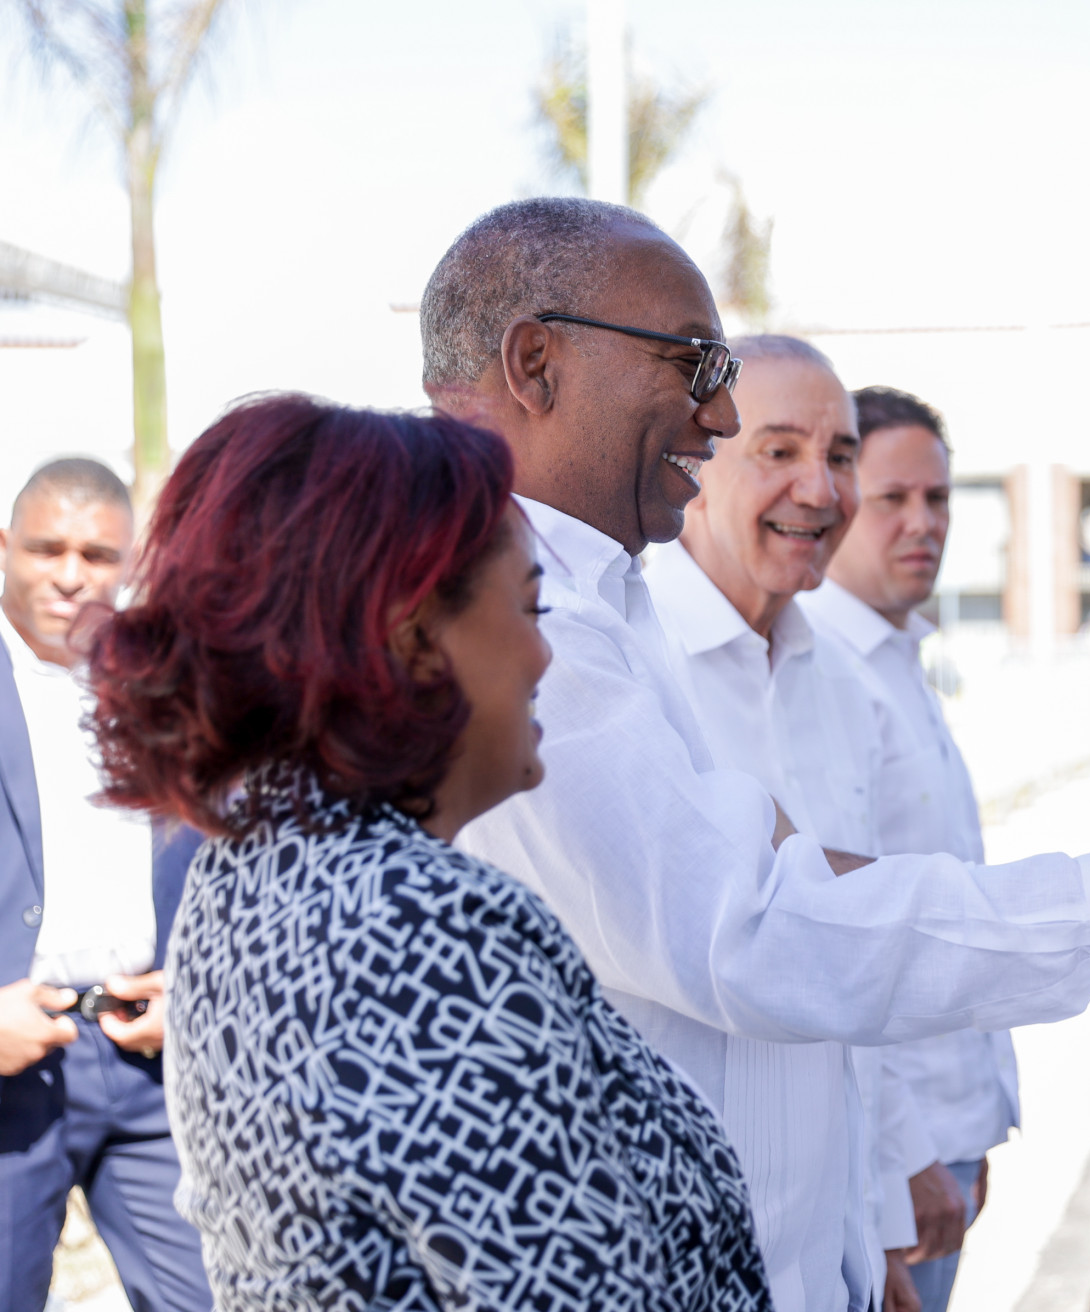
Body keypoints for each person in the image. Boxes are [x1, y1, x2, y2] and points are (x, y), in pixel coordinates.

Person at [423, 197, 1090, 1312]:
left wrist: (855, 1244)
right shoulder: (518, 628)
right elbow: (765, 932)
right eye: (693, 364)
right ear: (536, 364)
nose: (718, 411)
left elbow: (822, 906)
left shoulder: (612, 611)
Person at [85, 395, 771, 1310]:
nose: (545, 655)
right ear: (414, 639)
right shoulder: (422, 926)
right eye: (529, 607)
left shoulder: (253, 857)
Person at [644, 336, 933, 1311]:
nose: (820, 489)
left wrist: (876, 1231)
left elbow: (865, 966)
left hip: (826, 1258)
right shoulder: (632, 668)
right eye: (778, 450)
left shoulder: (844, 687)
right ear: (697, 461)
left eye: (841, 455)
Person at [798, 384, 1019, 1312]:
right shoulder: (821, 670)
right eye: (893, 498)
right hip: (893, 1153)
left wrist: (977, 1124)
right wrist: (906, 1160)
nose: (923, 523)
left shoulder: (900, 659)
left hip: (946, 1136)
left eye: (938, 499)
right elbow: (837, 945)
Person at [0, 457, 211, 1312]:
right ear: (4, 547)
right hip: (13, 1055)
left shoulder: (171, 691)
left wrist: (193, 989)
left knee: (214, 1294)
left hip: (147, 1059)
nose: (70, 574)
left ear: (130, 562)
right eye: (46, 549)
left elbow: (218, 853)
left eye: (96, 555)